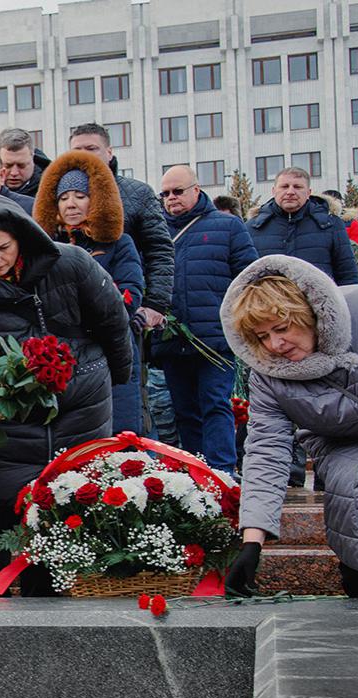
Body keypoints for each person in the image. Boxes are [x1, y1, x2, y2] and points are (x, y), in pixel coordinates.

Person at [0, 193, 132, 597]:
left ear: (22, 237)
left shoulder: (71, 264)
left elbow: (114, 325)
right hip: (2, 427)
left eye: (3, 248)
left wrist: (106, 381)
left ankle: (49, 636)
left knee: (54, 549)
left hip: (76, 415)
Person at [221, 255, 358, 598]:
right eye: (262, 336)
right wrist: (253, 541)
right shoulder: (269, 373)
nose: (274, 345)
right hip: (346, 444)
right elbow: (267, 451)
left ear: (309, 312)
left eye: (281, 328)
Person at [154, 166, 258, 474]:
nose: (171, 198)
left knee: (216, 404)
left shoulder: (228, 226)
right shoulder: (156, 230)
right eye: (165, 193)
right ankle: (196, 471)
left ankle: (222, 473)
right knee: (184, 411)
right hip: (172, 339)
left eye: (178, 191)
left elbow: (248, 278)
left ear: (196, 190)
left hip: (214, 338)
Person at [33, 151, 144, 434]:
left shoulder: (120, 244)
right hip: (62, 355)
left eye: (79, 196)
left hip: (111, 348)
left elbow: (130, 294)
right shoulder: (43, 250)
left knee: (120, 432)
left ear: (94, 199)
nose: (71, 204)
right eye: (63, 197)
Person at [69, 123, 174, 326]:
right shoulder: (58, 197)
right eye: (77, 151)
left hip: (125, 310)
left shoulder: (138, 193)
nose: (85, 156)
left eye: (92, 149)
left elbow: (159, 250)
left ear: (109, 153)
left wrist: (155, 305)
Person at [246, 168, 358, 286]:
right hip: (268, 303)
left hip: (318, 303)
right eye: (284, 186)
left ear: (308, 192)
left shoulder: (331, 225)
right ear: (274, 191)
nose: (290, 192)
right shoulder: (252, 228)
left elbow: (348, 274)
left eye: (297, 187)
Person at [0, 127, 51, 198]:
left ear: (32, 158)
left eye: (21, 165)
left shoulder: (53, 188)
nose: (14, 173)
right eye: (8, 166)